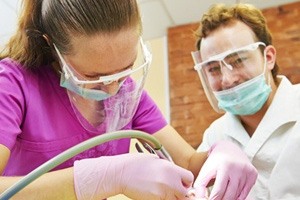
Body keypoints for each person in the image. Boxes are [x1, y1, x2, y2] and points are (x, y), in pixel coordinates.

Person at [0, 1, 257, 200]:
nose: (113, 88)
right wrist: (108, 176)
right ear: (52, 46)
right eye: (93, 75)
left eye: (124, 69)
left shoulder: (129, 93)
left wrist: (220, 154)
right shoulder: (12, 84)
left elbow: (188, 163)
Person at [192, 3, 300, 200]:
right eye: (213, 69)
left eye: (237, 60)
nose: (227, 79)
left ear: (268, 57)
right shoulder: (215, 135)